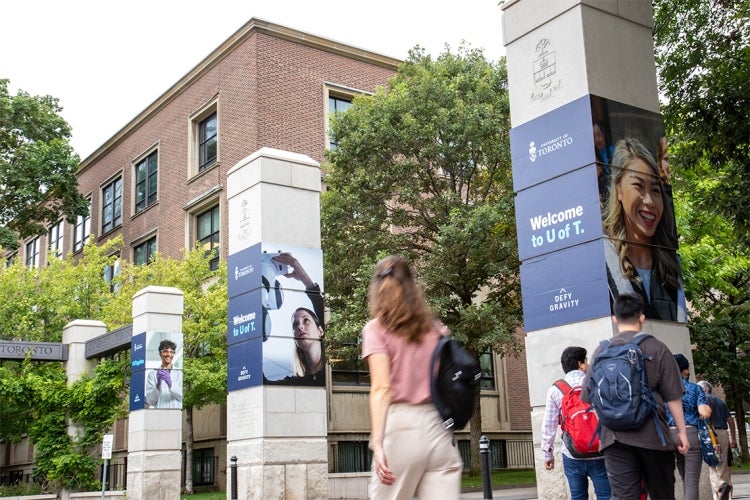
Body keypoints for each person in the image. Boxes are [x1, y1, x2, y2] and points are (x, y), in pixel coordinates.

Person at [361, 255, 463, 499]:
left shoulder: (376, 329)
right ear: (411, 286)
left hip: (401, 428)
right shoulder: (435, 328)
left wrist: (378, 443)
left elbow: (382, 389)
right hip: (438, 429)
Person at [583, 293, 689, 499]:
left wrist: (611, 418)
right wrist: (682, 432)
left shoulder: (600, 352)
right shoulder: (656, 347)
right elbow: (673, 396)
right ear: (642, 317)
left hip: (613, 438)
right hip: (653, 436)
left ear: (615, 318)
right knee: (663, 494)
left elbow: (589, 397)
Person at [603, 137, 686, 322]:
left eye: (656, 190)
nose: (649, 200)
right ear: (618, 190)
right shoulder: (602, 261)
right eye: (638, 186)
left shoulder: (671, 267)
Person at [541, 346, 611, 499]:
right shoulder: (598, 384)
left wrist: (548, 455)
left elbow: (549, 426)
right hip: (599, 451)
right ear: (580, 364)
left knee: (578, 495)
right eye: (586, 361)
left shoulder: (556, 390)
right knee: (606, 495)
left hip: (572, 453)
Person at [272, 252, 326, 379]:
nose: (300, 327)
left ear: (320, 331)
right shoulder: (295, 381)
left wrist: (297, 266)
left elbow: (318, 302)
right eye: (295, 325)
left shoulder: (329, 372)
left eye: (306, 320)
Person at [666, 354, 711, 500]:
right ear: (685, 370)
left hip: (669, 434)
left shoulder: (663, 388)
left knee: (679, 475)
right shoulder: (695, 388)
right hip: (690, 433)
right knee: (691, 480)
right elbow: (704, 411)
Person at [698, 380, 736, 500]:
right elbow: (730, 420)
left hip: (709, 434)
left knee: (711, 463)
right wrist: (733, 439)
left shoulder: (702, 401)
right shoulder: (720, 401)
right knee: (721, 464)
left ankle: (720, 487)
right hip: (723, 433)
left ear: (703, 389)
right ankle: (721, 493)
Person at [145, 339, 183, 409]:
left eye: (171, 352)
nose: (168, 354)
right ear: (160, 354)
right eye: (165, 351)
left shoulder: (180, 373)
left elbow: (183, 397)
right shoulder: (152, 374)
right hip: (159, 414)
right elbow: (151, 401)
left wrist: (171, 384)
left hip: (176, 413)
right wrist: (158, 385)